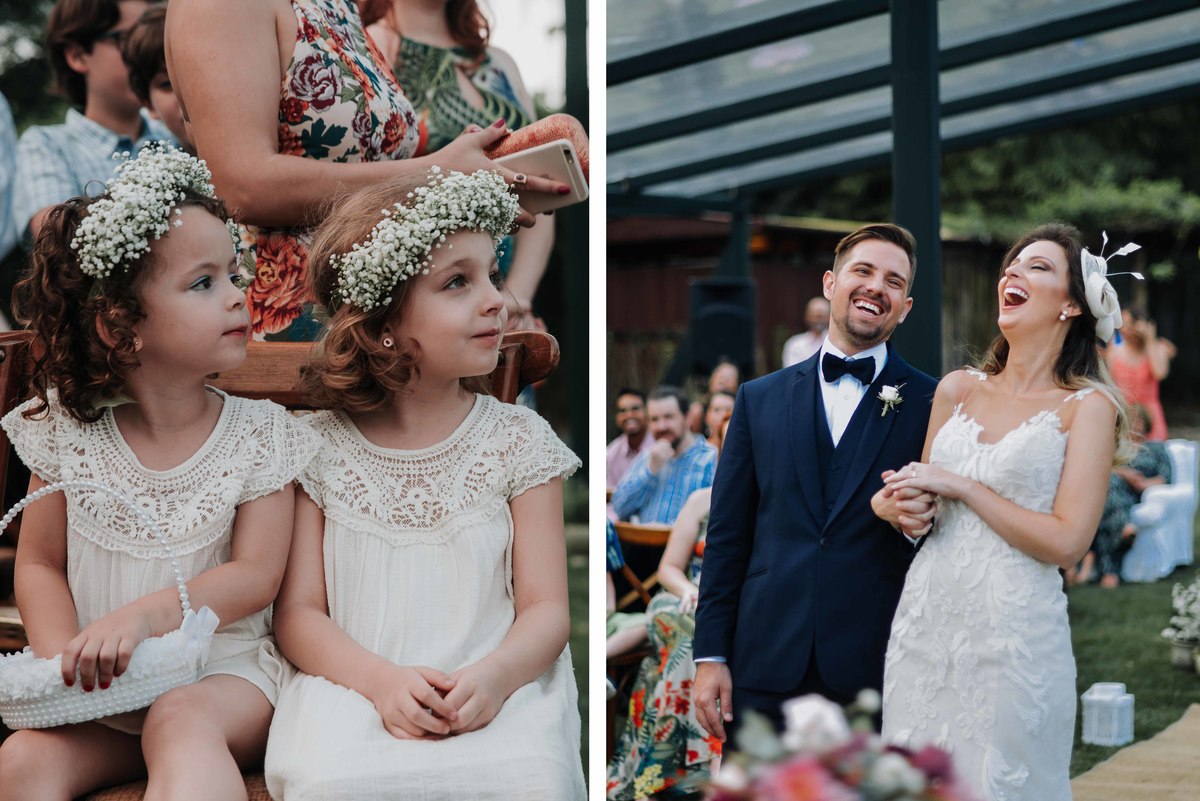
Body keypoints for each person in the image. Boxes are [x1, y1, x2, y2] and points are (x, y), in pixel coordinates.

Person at [0, 146, 318, 800]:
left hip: (223, 681)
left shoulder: (259, 435)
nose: (238, 297)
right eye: (204, 283)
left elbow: (255, 574)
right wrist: (66, 658)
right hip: (109, 695)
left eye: (233, 274)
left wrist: (144, 617)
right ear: (120, 327)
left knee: (177, 720)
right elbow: (38, 562)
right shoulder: (70, 430)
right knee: (23, 760)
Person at [263, 169, 585, 799]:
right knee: (340, 781)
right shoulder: (318, 448)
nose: (495, 298)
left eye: (491, 275)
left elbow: (547, 609)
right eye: (457, 282)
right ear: (384, 321)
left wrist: (495, 677)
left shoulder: (519, 442)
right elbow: (299, 615)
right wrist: (381, 684)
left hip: (499, 687)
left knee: (526, 781)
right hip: (355, 688)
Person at [879, 223, 1128, 800]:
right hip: (927, 622)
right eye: (1011, 265)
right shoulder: (957, 389)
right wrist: (895, 504)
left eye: (1037, 267)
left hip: (1013, 636)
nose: (1011, 272)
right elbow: (922, 510)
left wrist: (964, 488)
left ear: (1071, 304)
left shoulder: (1086, 407)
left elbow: (1068, 543)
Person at [164, 0, 565, 341]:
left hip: (370, 326)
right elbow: (241, 186)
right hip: (296, 336)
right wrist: (435, 174)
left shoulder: (336, 6)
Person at [693, 223, 938, 743]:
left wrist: (912, 521)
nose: (876, 287)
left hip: (876, 661)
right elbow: (727, 536)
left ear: (906, 307)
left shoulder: (930, 402)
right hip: (764, 656)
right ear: (831, 283)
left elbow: (944, 531)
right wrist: (711, 655)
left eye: (894, 281)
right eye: (863, 271)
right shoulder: (758, 399)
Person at [364, 0, 556, 331]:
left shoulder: (501, 63)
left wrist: (517, 301)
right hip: (425, 306)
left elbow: (541, 193)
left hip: (502, 303)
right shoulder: (371, 46)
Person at [607, 416, 732, 800]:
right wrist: (690, 589)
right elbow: (667, 570)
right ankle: (684, 768)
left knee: (686, 639)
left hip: (723, 606)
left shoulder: (769, 500)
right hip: (682, 594)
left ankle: (674, 767)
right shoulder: (701, 500)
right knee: (685, 621)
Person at [13, 0, 174, 246]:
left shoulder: (173, 134)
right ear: (77, 55)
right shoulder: (46, 146)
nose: (146, 53)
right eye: (129, 40)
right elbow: (58, 241)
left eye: (152, 38)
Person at [1075, 404, 1172, 588]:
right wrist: (1125, 474)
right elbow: (1102, 469)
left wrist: (1144, 484)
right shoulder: (1118, 447)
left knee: (1105, 507)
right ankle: (1123, 532)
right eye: (1133, 421)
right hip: (1115, 492)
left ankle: (1106, 571)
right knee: (1110, 487)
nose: (1136, 425)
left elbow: (1166, 476)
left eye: (1140, 421)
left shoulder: (1157, 448)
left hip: (1138, 494)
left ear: (1147, 424)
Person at [611, 386, 716, 526]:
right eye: (654, 419)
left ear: (687, 417)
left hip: (687, 546)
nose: (661, 426)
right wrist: (650, 470)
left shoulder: (710, 458)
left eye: (669, 417)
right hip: (640, 543)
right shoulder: (647, 456)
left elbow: (716, 516)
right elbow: (619, 508)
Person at [121, 3, 192, 154]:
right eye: (167, 84)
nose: (184, 95)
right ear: (148, 104)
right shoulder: (148, 167)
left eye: (197, 79)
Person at [1107, 308, 1174, 441]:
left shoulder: (1158, 348)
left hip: (1150, 417)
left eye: (1129, 324)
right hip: (1124, 415)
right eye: (1122, 324)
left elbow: (1160, 373)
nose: (1124, 329)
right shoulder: (1114, 349)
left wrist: (1149, 339)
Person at [607, 388, 652, 490]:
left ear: (647, 411)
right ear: (617, 417)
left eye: (635, 409)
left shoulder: (661, 444)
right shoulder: (611, 454)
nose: (629, 415)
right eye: (623, 411)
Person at [687, 359, 739, 434]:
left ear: (737, 385)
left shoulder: (741, 409)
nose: (723, 379)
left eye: (729, 376)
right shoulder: (697, 411)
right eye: (719, 374)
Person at [781, 296, 830, 367]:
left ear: (829, 317)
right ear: (807, 317)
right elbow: (792, 373)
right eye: (815, 316)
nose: (818, 320)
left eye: (822, 316)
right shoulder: (795, 344)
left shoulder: (837, 343)